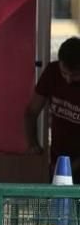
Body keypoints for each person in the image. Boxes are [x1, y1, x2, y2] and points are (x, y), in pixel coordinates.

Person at [25, 36, 80, 172]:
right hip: (57, 159)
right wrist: (33, 144)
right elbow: (31, 112)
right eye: (64, 73)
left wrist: (70, 169)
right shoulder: (52, 72)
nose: (68, 80)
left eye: (74, 75)